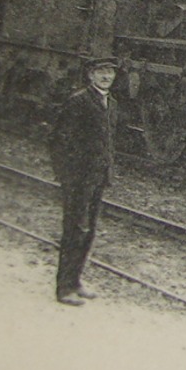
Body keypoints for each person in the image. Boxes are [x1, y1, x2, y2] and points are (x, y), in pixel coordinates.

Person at [48, 57, 119, 306]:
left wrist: (107, 171)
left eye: (110, 72)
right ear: (90, 75)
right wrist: (66, 176)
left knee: (88, 232)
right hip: (78, 178)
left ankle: (76, 281)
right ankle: (63, 288)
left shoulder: (110, 103)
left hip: (97, 177)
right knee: (74, 230)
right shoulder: (78, 101)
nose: (106, 76)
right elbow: (59, 139)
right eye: (101, 72)